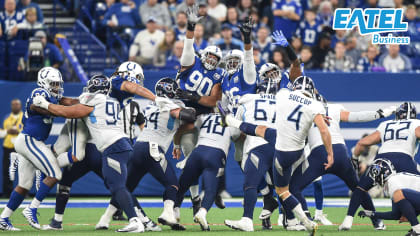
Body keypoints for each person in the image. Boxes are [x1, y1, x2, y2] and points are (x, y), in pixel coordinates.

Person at [97, 77, 195, 230]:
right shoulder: (173, 104)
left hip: (137, 147)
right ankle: (168, 214)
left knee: (127, 186)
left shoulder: (152, 104)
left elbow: (183, 124)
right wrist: (192, 103)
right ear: (170, 91)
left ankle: (105, 219)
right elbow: (189, 117)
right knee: (172, 184)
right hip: (153, 148)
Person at [0, 67, 77, 231]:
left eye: (58, 84)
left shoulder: (53, 97)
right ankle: (32, 208)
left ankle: (3, 218)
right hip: (30, 141)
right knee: (55, 173)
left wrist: (87, 101)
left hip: (31, 143)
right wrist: (55, 109)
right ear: (44, 82)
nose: (57, 87)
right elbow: (38, 107)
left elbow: (69, 101)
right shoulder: (38, 92)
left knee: (24, 185)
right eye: (54, 84)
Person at [340, 102, 420, 231]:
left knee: (360, 188)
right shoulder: (416, 123)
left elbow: (362, 143)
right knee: (412, 194)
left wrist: (354, 159)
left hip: (382, 160)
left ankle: (347, 220)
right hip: (404, 160)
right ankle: (413, 222)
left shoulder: (385, 124)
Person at [173, 112, 237, 231]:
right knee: (210, 190)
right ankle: (202, 213)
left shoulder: (204, 116)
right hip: (216, 154)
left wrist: (176, 145)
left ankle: (174, 212)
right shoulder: (233, 119)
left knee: (182, 186)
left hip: (198, 152)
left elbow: (186, 128)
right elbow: (239, 136)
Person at [358, 159, 420, 236]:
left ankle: (417, 230)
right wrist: (371, 214)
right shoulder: (394, 181)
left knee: (398, 194)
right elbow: (395, 214)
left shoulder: (393, 183)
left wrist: (410, 215)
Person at [0, 99, 22, 197]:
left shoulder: (24, 117)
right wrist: (8, 132)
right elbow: (1, 133)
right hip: (8, 146)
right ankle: (7, 192)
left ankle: (23, 191)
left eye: (17, 104)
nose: (15, 106)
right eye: (13, 104)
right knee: (7, 170)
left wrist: (18, 132)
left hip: (21, 147)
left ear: (20, 106)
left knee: (23, 169)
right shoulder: (6, 118)